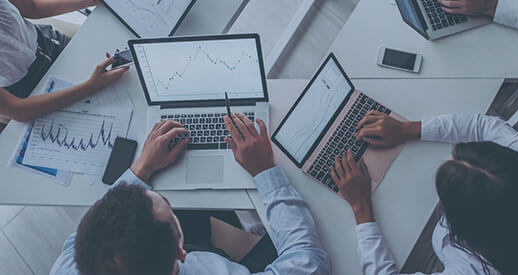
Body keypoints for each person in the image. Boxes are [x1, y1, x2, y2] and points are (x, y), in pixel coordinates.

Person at [50, 114, 330, 275]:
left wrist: (140, 170)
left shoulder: (71, 263)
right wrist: (265, 172)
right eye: (169, 210)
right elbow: (309, 263)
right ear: (180, 251)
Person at [331, 112, 518, 274]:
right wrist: (408, 129)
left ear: (463, 227)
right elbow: (485, 126)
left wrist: (361, 207)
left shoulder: (471, 269)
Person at [0, 0, 128, 122]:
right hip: (28, 91)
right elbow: (18, 110)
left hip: (52, 43)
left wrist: (83, 0)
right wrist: (90, 86)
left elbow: (30, 5)